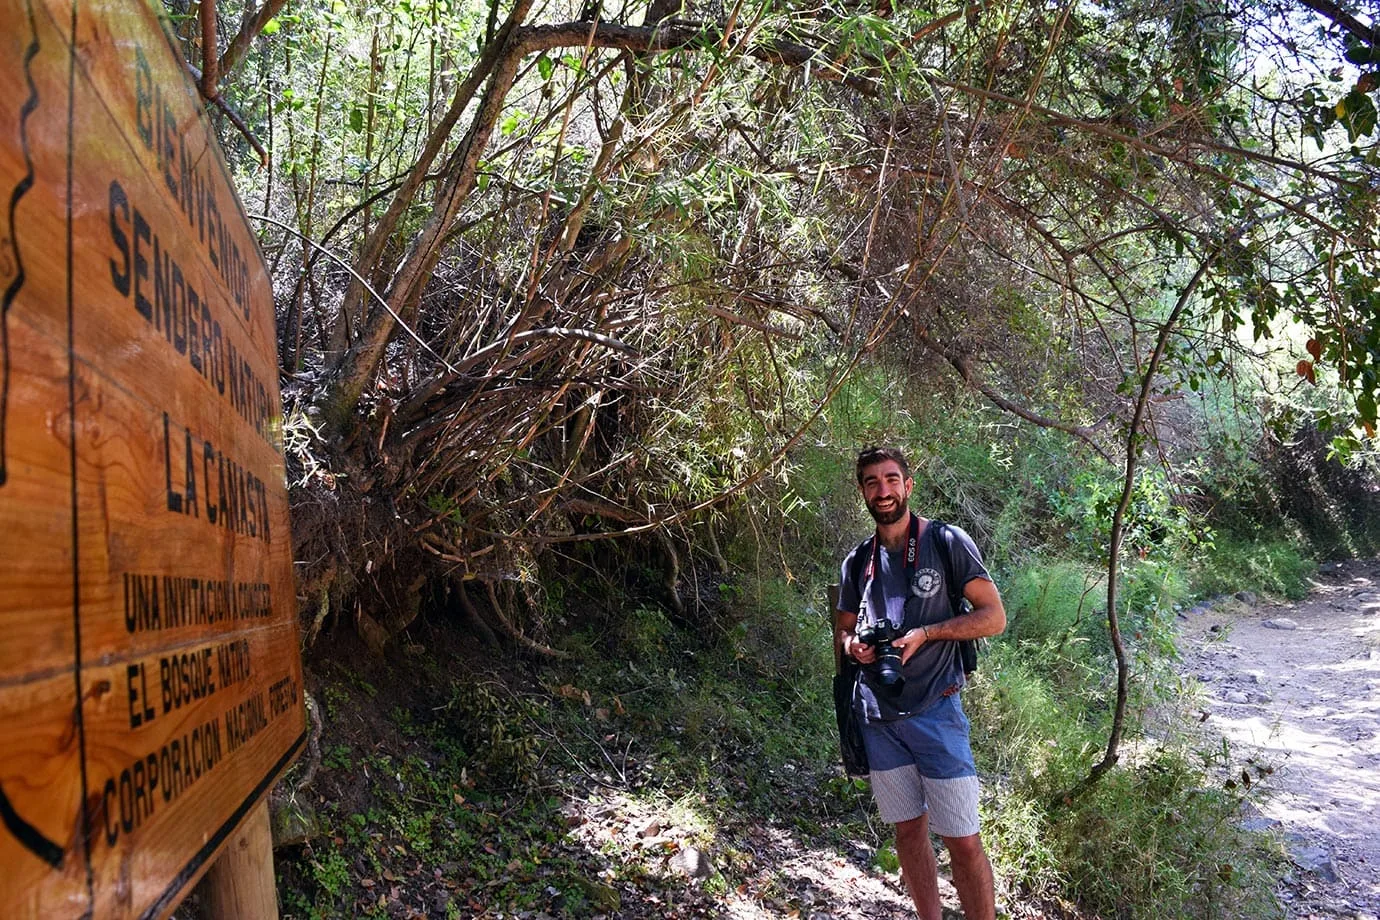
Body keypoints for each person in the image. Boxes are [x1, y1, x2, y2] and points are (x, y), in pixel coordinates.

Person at [836, 446, 1006, 920]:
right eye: (872, 482)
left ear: (908, 486)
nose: (883, 490)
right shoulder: (857, 561)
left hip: (937, 711)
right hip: (880, 720)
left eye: (891, 479)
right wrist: (855, 646)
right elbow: (844, 627)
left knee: (962, 838)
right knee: (908, 832)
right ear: (863, 492)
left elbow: (994, 617)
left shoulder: (945, 542)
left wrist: (928, 633)